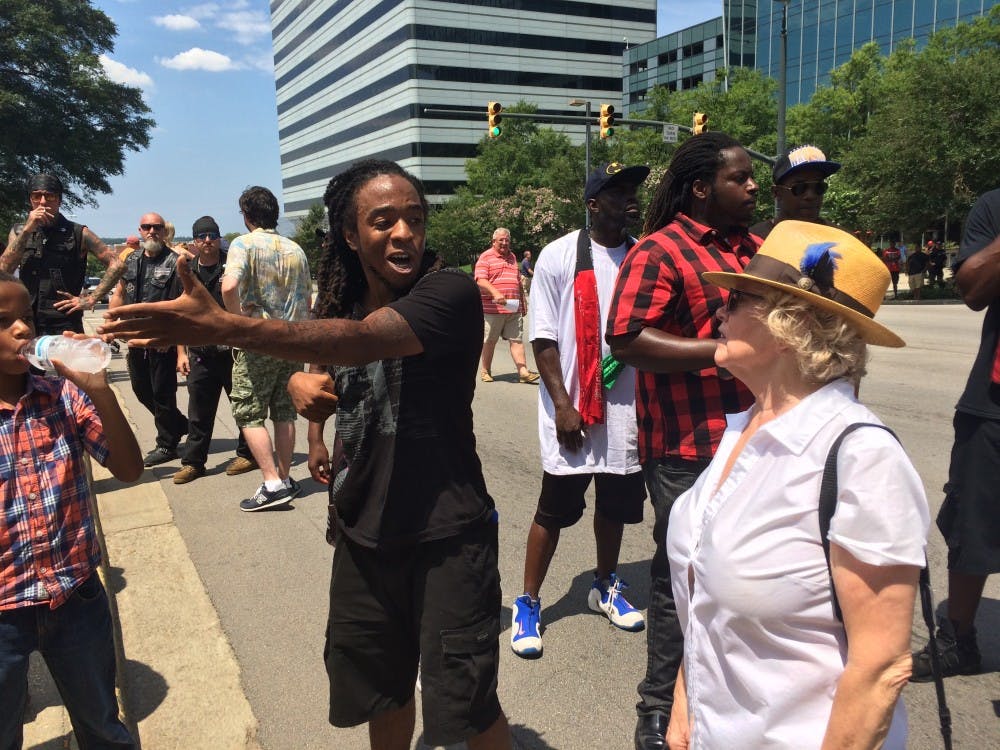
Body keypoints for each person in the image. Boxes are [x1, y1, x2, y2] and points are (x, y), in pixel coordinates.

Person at [99, 159, 513, 750]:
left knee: (469, 705)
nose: (404, 233)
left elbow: (364, 341)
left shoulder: (446, 292)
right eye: (383, 220)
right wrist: (308, 409)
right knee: (382, 692)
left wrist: (222, 328)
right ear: (350, 234)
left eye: (414, 219)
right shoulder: (339, 302)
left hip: (447, 536)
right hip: (362, 534)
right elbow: (327, 349)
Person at [665, 221, 929, 749]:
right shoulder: (742, 429)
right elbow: (705, 601)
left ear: (794, 324)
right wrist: (684, 703)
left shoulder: (861, 459)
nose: (719, 311)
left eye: (736, 299)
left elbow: (880, 667)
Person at [606, 132, 760, 750]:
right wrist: (722, 353)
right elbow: (626, 338)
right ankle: (658, 710)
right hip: (686, 447)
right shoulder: (660, 251)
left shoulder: (754, 249)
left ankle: (728, 702)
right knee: (682, 585)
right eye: (739, 179)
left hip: (755, 440)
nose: (753, 188)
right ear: (702, 187)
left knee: (743, 579)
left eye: (753, 179)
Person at [511, 163, 650, 658]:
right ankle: (527, 602)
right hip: (571, 412)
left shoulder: (641, 255)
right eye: (619, 192)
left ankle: (604, 584)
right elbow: (543, 334)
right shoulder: (558, 255)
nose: (631, 198)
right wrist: (563, 404)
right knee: (553, 509)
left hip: (624, 411)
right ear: (594, 205)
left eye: (633, 190)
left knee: (613, 506)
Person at [0, 271, 143, 748]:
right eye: (4, 322)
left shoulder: (61, 395)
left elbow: (128, 468)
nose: (22, 331)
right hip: (4, 608)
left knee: (102, 724)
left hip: (74, 596)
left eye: (24, 318)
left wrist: (99, 389)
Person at [911, 187, 1000, 681]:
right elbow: (972, 290)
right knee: (972, 522)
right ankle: (958, 638)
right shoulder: (993, 207)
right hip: (994, 400)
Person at [222, 186, 312, 512]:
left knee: (248, 412)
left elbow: (229, 285)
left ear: (246, 216)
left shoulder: (243, 244)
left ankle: (272, 482)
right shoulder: (296, 249)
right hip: (291, 340)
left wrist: (236, 323)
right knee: (284, 411)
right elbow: (307, 300)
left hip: (258, 340)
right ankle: (286, 479)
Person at [171, 216, 255, 484]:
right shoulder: (187, 269)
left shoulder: (232, 265)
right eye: (202, 236)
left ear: (219, 238)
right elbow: (179, 315)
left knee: (242, 407)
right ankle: (194, 463)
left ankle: (248, 454)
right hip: (200, 353)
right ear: (195, 241)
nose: (208, 241)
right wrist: (181, 353)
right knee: (199, 412)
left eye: (212, 236)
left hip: (231, 352)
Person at [109, 212, 188, 467]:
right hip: (135, 339)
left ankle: (167, 444)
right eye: (147, 227)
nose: (152, 231)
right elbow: (120, 293)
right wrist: (111, 325)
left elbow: (182, 308)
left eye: (157, 227)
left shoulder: (176, 262)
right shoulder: (130, 260)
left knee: (163, 394)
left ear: (164, 231)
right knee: (141, 390)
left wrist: (179, 349)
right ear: (140, 230)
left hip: (162, 341)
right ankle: (178, 425)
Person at [1, 173, 124, 334]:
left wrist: (90, 299)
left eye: (49, 196)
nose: (43, 202)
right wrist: (27, 230)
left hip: (63, 322)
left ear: (59, 200)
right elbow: (5, 268)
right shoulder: (19, 231)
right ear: (30, 199)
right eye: (36, 196)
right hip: (27, 319)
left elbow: (118, 264)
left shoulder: (79, 233)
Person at [475, 228, 539, 383]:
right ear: (493, 242)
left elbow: (517, 281)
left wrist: (522, 303)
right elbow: (480, 280)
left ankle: (523, 372)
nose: (504, 243)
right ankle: (485, 370)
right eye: (501, 240)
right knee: (490, 341)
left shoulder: (512, 257)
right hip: (493, 309)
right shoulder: (485, 257)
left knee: (516, 340)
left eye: (507, 240)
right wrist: (495, 293)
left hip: (512, 307)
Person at [748, 145, 841, 240]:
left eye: (819, 187)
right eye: (799, 188)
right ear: (777, 192)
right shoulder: (753, 242)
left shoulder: (842, 240)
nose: (811, 195)